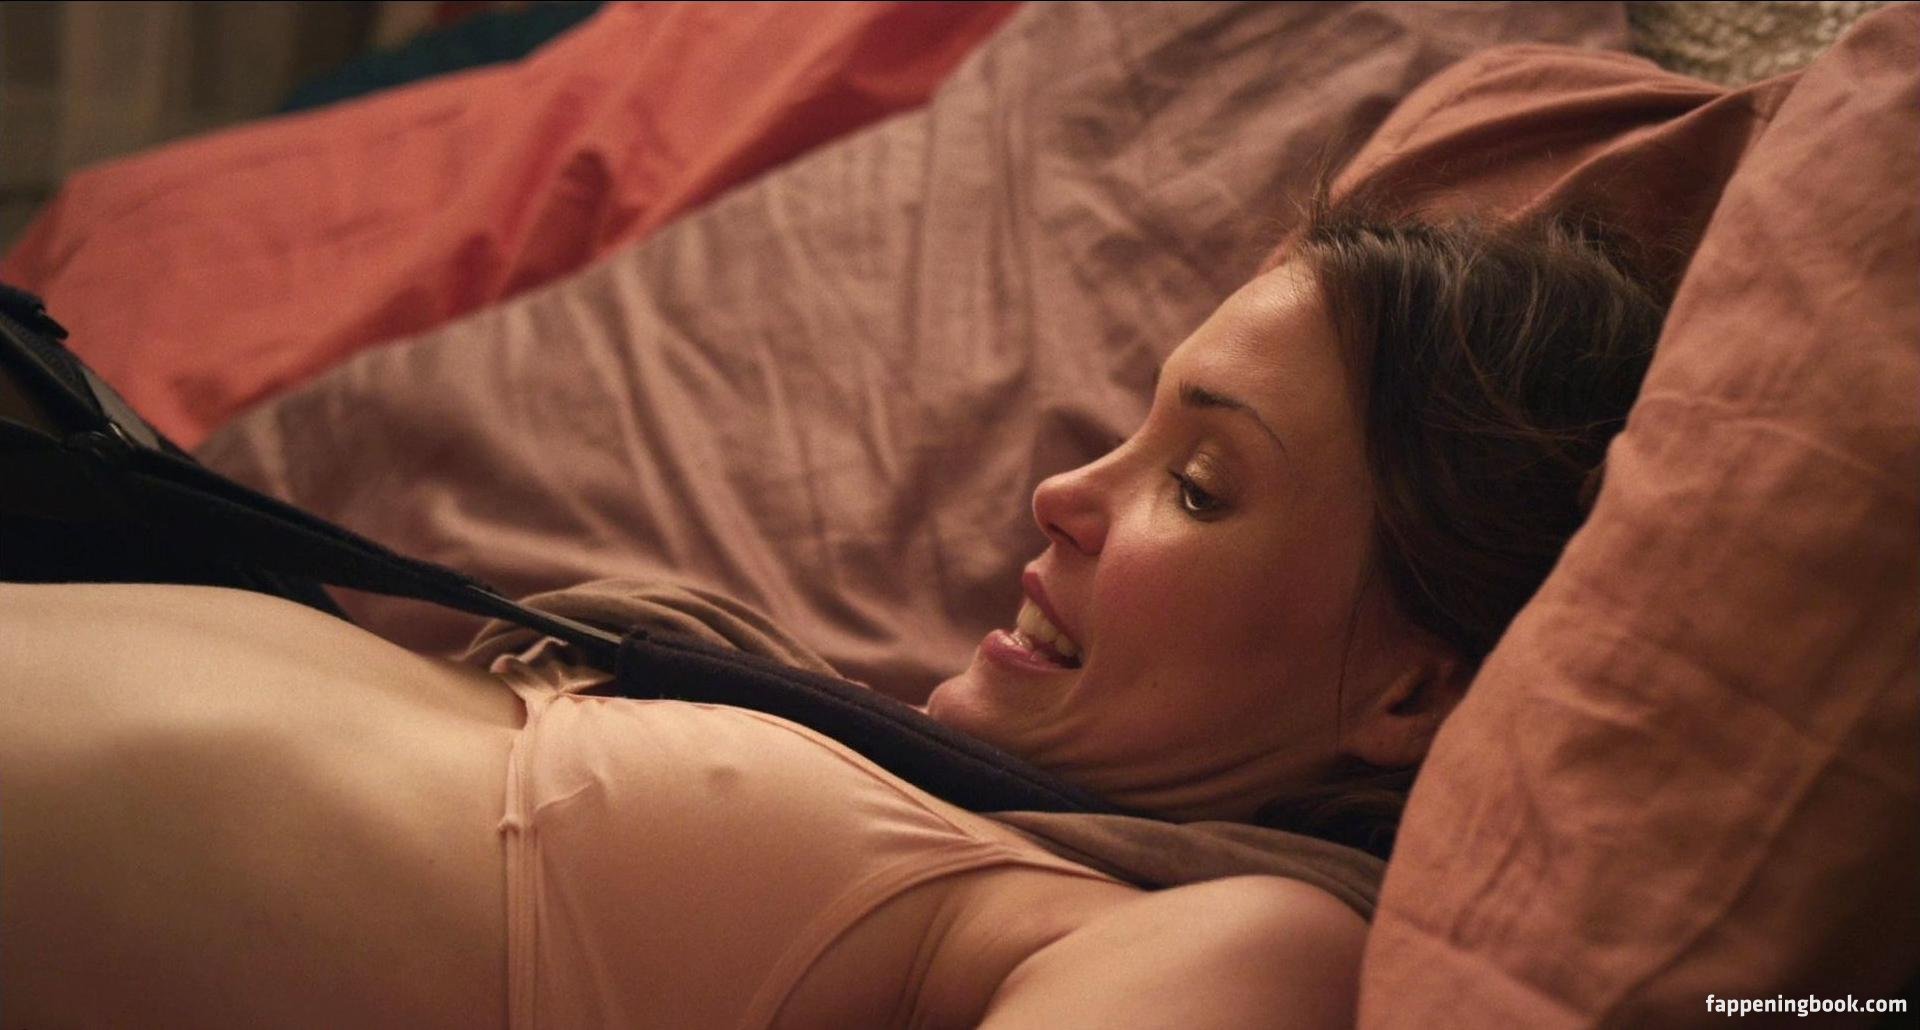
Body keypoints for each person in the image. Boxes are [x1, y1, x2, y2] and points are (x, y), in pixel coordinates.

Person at [0, 192, 1661, 1027]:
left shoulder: (1254, 941)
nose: (1063, 493)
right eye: (1138, 430)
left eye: (1202, 484)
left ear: (1409, 693)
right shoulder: (960, 805)